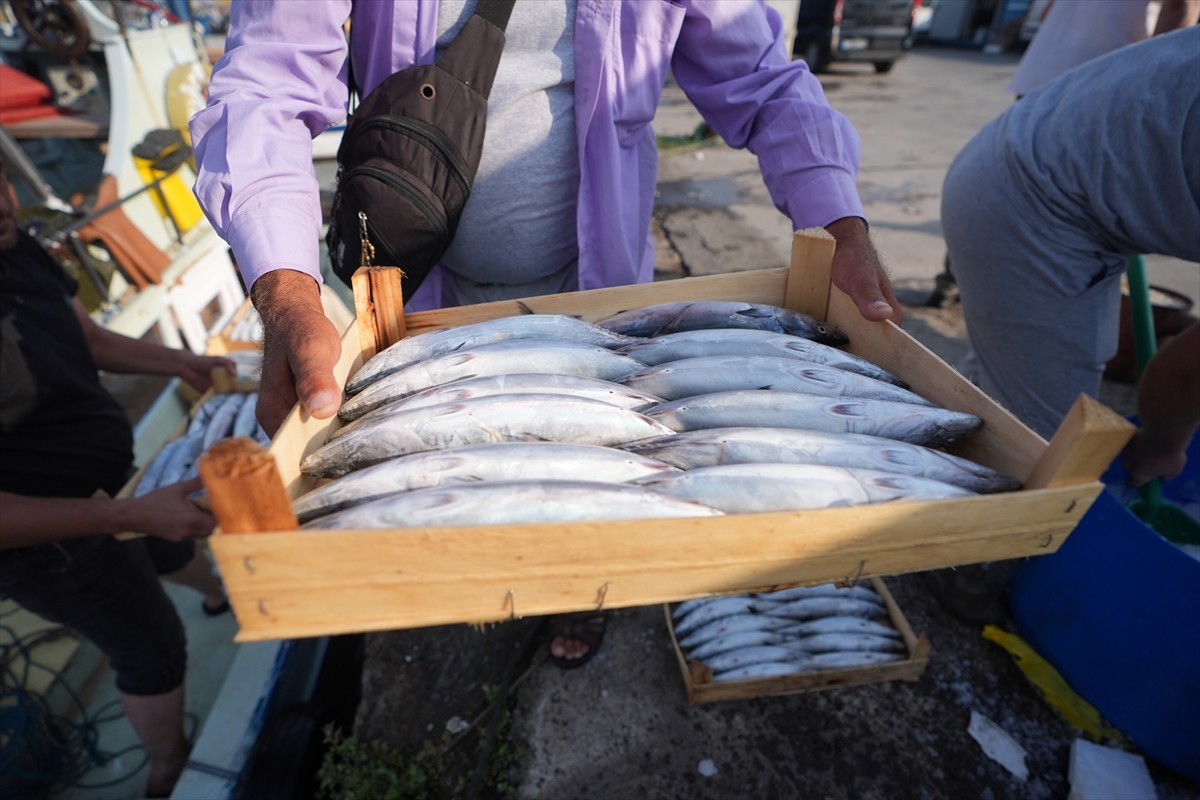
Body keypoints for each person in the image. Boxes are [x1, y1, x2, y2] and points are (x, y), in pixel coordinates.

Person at [190, 0, 901, 668]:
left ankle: (583, 597)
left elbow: (760, 79)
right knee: (467, 479)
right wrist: (287, 293)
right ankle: (485, 581)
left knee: (597, 481)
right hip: (421, 293)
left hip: (602, 296)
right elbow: (265, 86)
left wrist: (837, 219)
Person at [926, 27, 1200, 622]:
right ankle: (962, 573)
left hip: (1048, 177)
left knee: (1001, 402)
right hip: (1031, 200)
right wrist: (1161, 446)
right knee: (1042, 444)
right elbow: (1183, 377)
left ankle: (944, 503)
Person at [0, 159, 236, 798]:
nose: (1, 206)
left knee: (165, 544)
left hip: (113, 474)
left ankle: (221, 593)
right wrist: (127, 517)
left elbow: (89, 339)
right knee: (150, 643)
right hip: (44, 543)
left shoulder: (16, 245)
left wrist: (180, 360)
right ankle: (168, 769)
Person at [924, 0, 1199, 307]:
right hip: (1103, 86)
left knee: (1009, 182)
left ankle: (958, 283)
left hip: (1044, 70)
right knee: (1070, 210)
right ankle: (1026, 308)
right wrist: (1152, 84)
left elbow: (1045, 11)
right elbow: (1181, 6)